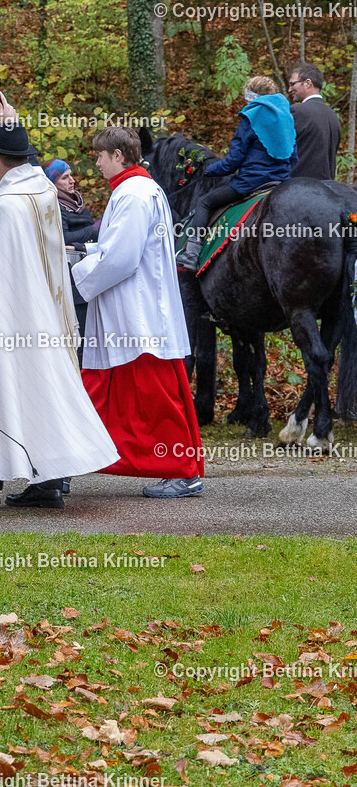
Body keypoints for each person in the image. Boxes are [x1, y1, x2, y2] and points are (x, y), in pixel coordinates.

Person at [0, 99, 118, 509]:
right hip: (46, 312)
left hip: (11, 319)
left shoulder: (8, 205)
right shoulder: (42, 191)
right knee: (42, 389)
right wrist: (11, 120)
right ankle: (48, 481)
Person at [72, 126, 205, 498]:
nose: (96, 163)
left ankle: (182, 470)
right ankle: (72, 459)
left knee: (157, 397)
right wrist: (90, 254)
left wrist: (77, 273)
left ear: (118, 156)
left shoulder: (133, 194)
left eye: (100, 155)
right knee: (110, 390)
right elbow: (121, 249)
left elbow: (122, 258)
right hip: (135, 310)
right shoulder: (140, 189)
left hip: (138, 315)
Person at [176, 76, 297, 271]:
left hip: (250, 183)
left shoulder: (252, 118)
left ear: (252, 97)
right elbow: (293, 157)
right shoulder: (286, 118)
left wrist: (209, 169)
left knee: (204, 203)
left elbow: (232, 163)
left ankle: (191, 254)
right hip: (281, 182)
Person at [44, 158, 100, 362]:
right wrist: (93, 230)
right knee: (79, 338)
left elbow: (77, 241)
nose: (72, 181)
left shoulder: (77, 204)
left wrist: (82, 243)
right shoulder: (54, 207)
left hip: (88, 272)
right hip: (69, 278)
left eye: (71, 175)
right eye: (65, 177)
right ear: (53, 182)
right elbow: (61, 238)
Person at [288, 61, 341, 180]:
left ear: (307, 83)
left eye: (293, 84)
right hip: (327, 187)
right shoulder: (332, 115)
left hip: (299, 186)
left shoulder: (297, 111)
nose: (289, 90)